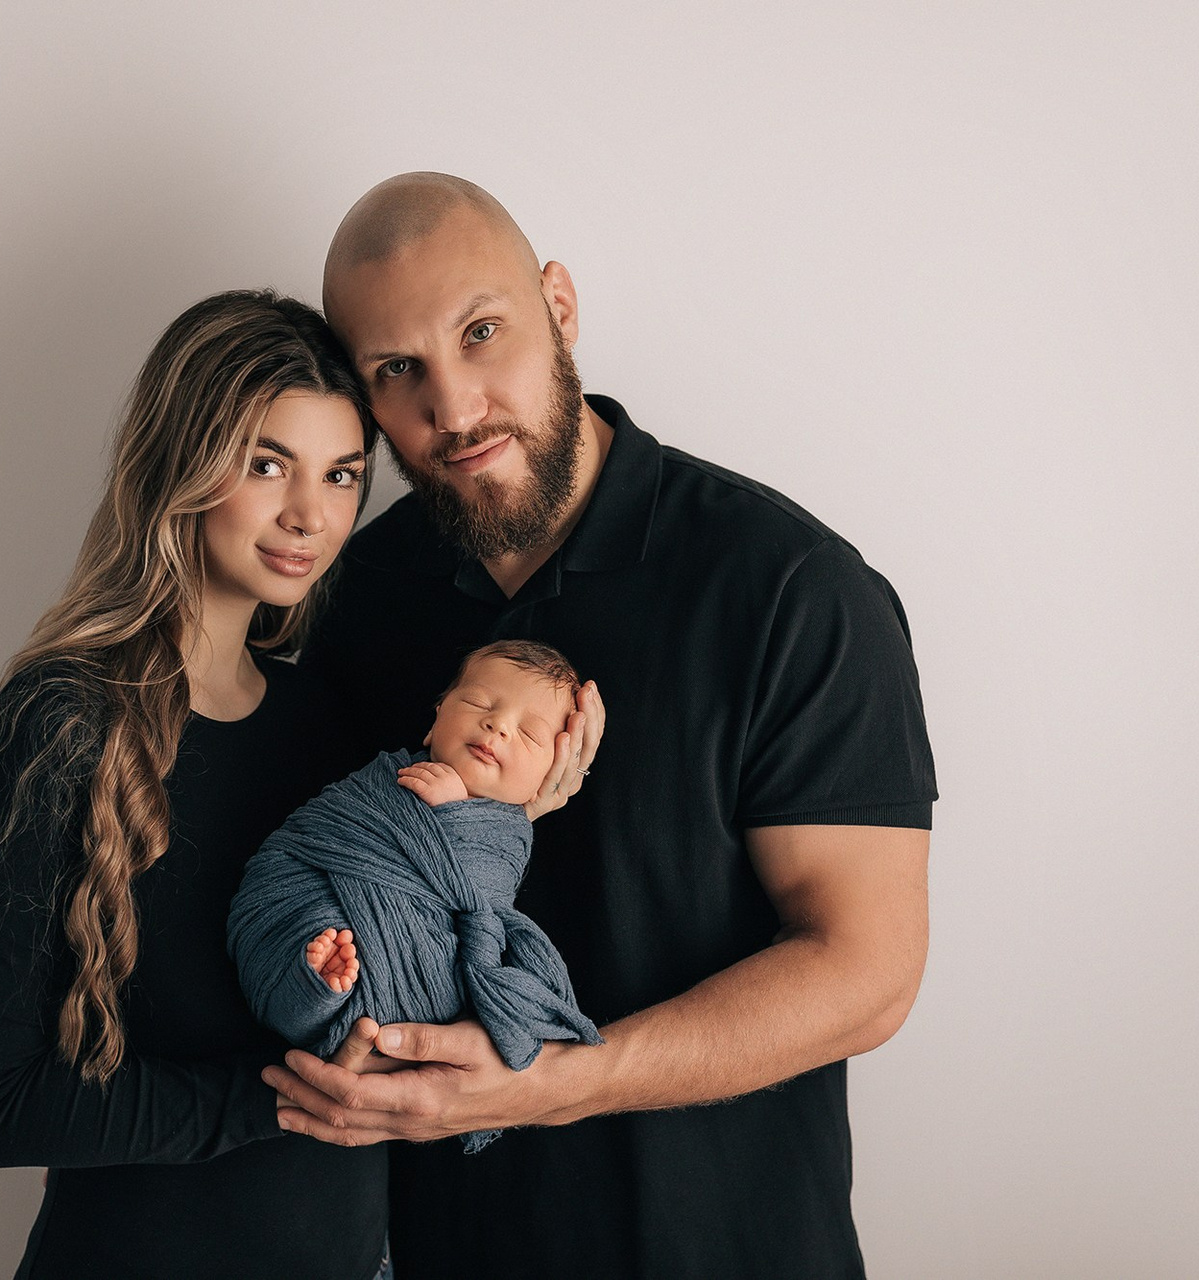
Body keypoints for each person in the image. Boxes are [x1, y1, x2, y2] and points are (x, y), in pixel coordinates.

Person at [266, 174, 940, 1278]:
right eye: (398, 369)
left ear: (559, 306)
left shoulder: (787, 588)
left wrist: (555, 1081)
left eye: (481, 332)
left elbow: (867, 971)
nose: (454, 407)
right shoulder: (351, 595)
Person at [0, 289, 395, 1279]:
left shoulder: (332, 721)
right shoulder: (62, 720)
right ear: (181, 462)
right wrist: (277, 1099)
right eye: (266, 464)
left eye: (343, 474)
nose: (311, 514)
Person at [226, 640, 604, 1152]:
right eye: (478, 703)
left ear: (550, 777)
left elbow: (479, 901)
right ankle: (316, 983)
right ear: (435, 721)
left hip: (409, 989)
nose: (497, 725)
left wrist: (456, 816)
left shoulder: (509, 834)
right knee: (319, 951)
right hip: (304, 911)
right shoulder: (389, 780)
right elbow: (313, 834)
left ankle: (325, 985)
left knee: (428, 974)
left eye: (529, 733)